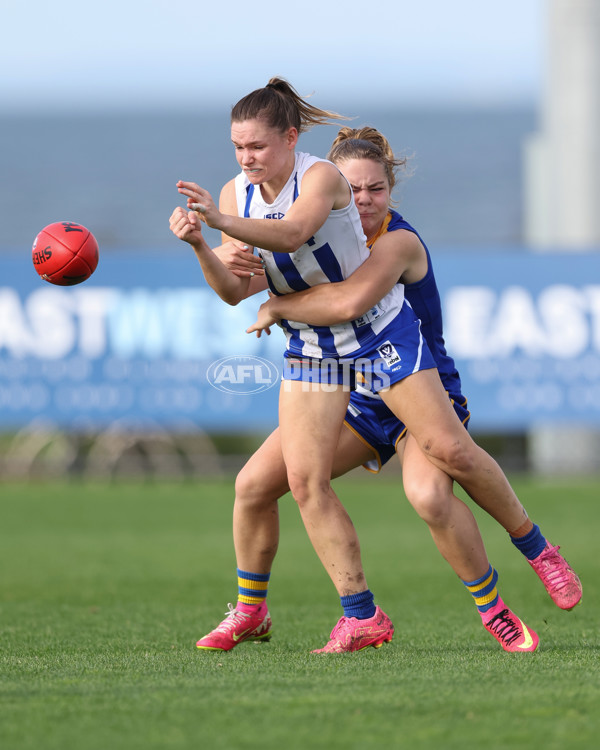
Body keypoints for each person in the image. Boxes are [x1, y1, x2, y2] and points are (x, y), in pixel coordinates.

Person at [170, 84, 581, 653]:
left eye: (374, 188)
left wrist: (272, 296)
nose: (360, 200)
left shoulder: (384, 231)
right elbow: (236, 289)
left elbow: (337, 291)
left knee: (436, 485)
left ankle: (534, 556)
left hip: (386, 349)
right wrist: (202, 247)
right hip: (321, 357)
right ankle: (346, 615)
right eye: (238, 146)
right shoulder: (238, 197)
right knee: (284, 482)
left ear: (292, 142)